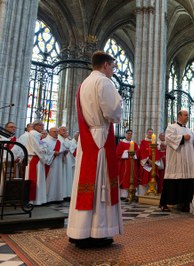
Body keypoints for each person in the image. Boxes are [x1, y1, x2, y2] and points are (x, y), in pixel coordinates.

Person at [67, 51, 123, 248]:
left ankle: (79, 230)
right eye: (113, 67)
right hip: (100, 138)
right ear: (106, 65)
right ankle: (98, 232)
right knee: (101, 183)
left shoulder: (84, 84)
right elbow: (113, 112)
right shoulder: (104, 82)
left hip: (87, 139)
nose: (113, 71)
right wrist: (120, 103)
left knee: (85, 181)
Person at [159, 109, 194, 212]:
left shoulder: (189, 131)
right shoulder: (171, 127)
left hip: (187, 161)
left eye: (188, 115)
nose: (187, 117)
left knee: (186, 182)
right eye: (185, 115)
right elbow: (169, 139)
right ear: (179, 116)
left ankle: (184, 204)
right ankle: (164, 204)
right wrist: (182, 137)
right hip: (176, 160)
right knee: (171, 181)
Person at [25, 120, 53, 205]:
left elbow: (40, 146)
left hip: (37, 159)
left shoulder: (36, 135)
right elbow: (37, 148)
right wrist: (44, 159)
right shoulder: (34, 134)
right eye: (41, 125)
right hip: (35, 159)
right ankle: (33, 200)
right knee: (35, 179)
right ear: (36, 126)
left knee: (39, 179)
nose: (42, 127)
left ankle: (38, 200)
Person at [116, 129, 139, 199]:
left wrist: (134, 153)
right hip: (124, 164)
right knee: (125, 177)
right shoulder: (121, 143)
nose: (130, 135)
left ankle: (133, 193)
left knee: (132, 176)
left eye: (131, 134)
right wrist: (126, 152)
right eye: (128, 133)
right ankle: (123, 195)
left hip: (132, 164)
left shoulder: (134, 144)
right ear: (125, 134)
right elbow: (117, 154)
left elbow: (137, 153)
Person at [42, 127, 64, 202]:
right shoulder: (44, 141)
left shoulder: (59, 142)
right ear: (50, 132)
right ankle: (47, 198)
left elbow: (62, 150)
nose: (56, 133)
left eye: (57, 132)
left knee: (57, 179)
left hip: (58, 162)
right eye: (54, 131)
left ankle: (56, 197)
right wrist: (53, 153)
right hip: (50, 163)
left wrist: (64, 153)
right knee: (49, 180)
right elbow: (43, 151)